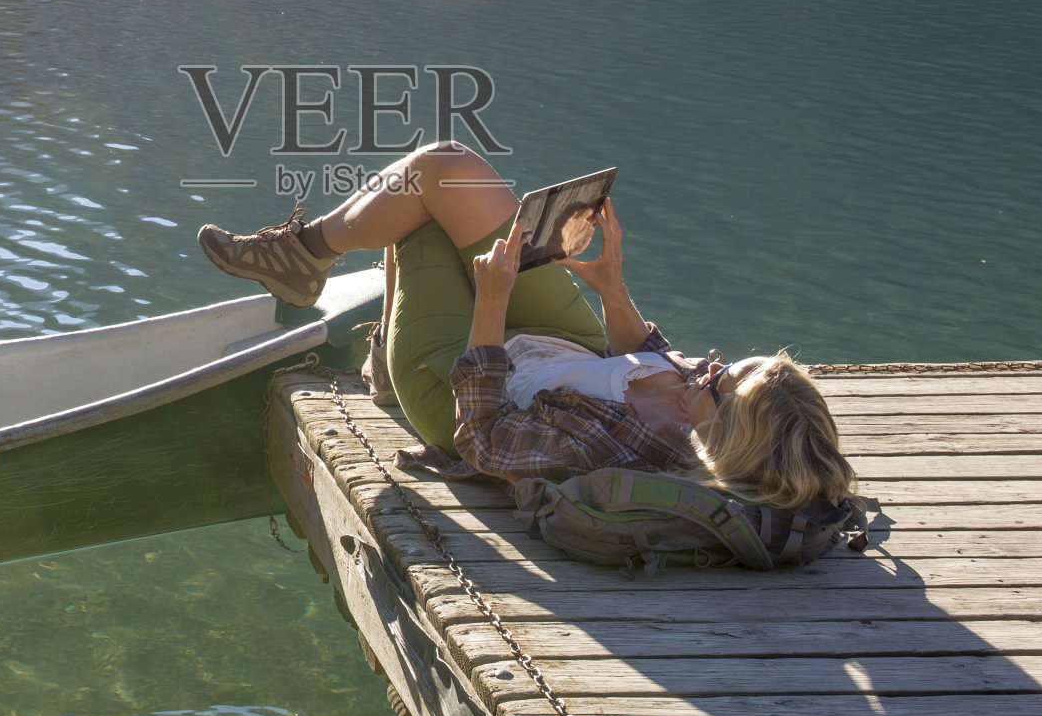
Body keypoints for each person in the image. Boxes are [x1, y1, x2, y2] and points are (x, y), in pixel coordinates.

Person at [198, 142, 853, 505]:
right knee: (451, 168)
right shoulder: (693, 401)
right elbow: (643, 357)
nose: (704, 367)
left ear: (722, 437)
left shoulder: (616, 450)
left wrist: (491, 303)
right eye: (721, 361)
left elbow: (485, 440)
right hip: (567, 350)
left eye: (717, 382)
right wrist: (612, 287)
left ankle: (343, 312)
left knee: (422, 220)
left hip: (467, 389)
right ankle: (302, 257)